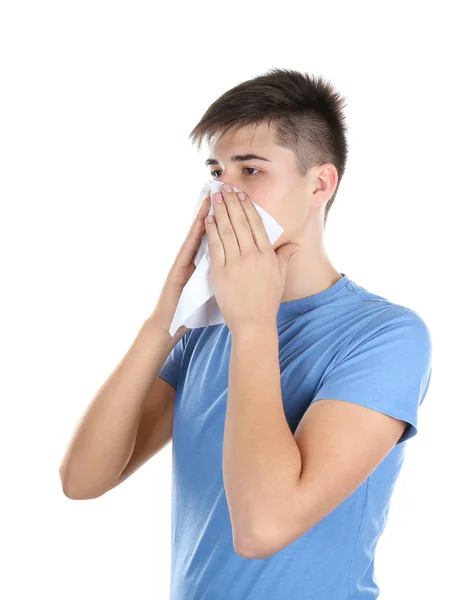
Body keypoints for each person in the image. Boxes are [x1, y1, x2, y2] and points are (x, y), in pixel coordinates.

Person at [59, 67, 433, 599]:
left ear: (320, 184)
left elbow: (263, 529)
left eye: (251, 170)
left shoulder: (385, 336)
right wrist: (166, 317)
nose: (224, 191)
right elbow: (83, 481)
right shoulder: (205, 331)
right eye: (216, 170)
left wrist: (254, 323)